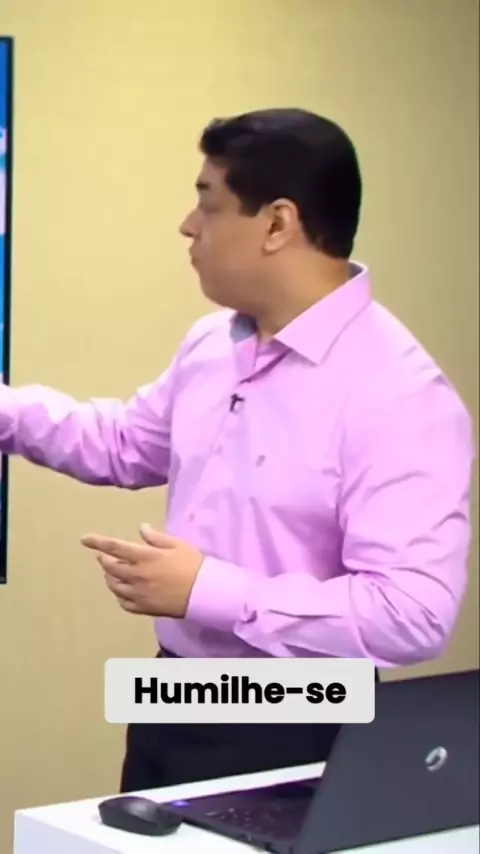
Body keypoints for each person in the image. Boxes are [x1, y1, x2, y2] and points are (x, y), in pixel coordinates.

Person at [0, 108, 475, 791]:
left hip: (302, 718)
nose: (188, 226)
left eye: (208, 203)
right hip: (176, 696)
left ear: (277, 224)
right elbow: (125, 443)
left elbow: (412, 614)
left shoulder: (400, 395)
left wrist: (211, 591)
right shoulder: (213, 343)